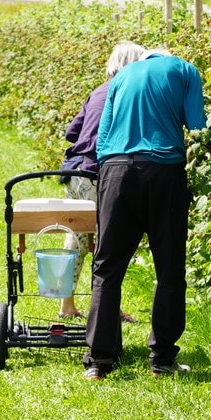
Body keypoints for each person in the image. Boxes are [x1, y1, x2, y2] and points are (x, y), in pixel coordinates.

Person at [83, 48, 205, 381]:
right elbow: (198, 128)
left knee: (106, 266)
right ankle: (162, 358)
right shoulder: (185, 70)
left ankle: (99, 360)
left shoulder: (121, 77)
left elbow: (102, 139)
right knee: (169, 267)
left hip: (116, 171)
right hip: (164, 171)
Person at [57, 41, 145, 320]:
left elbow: (73, 133)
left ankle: (67, 306)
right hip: (97, 173)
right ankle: (106, 310)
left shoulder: (97, 92)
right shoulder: (128, 93)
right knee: (110, 242)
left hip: (74, 171)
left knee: (76, 238)